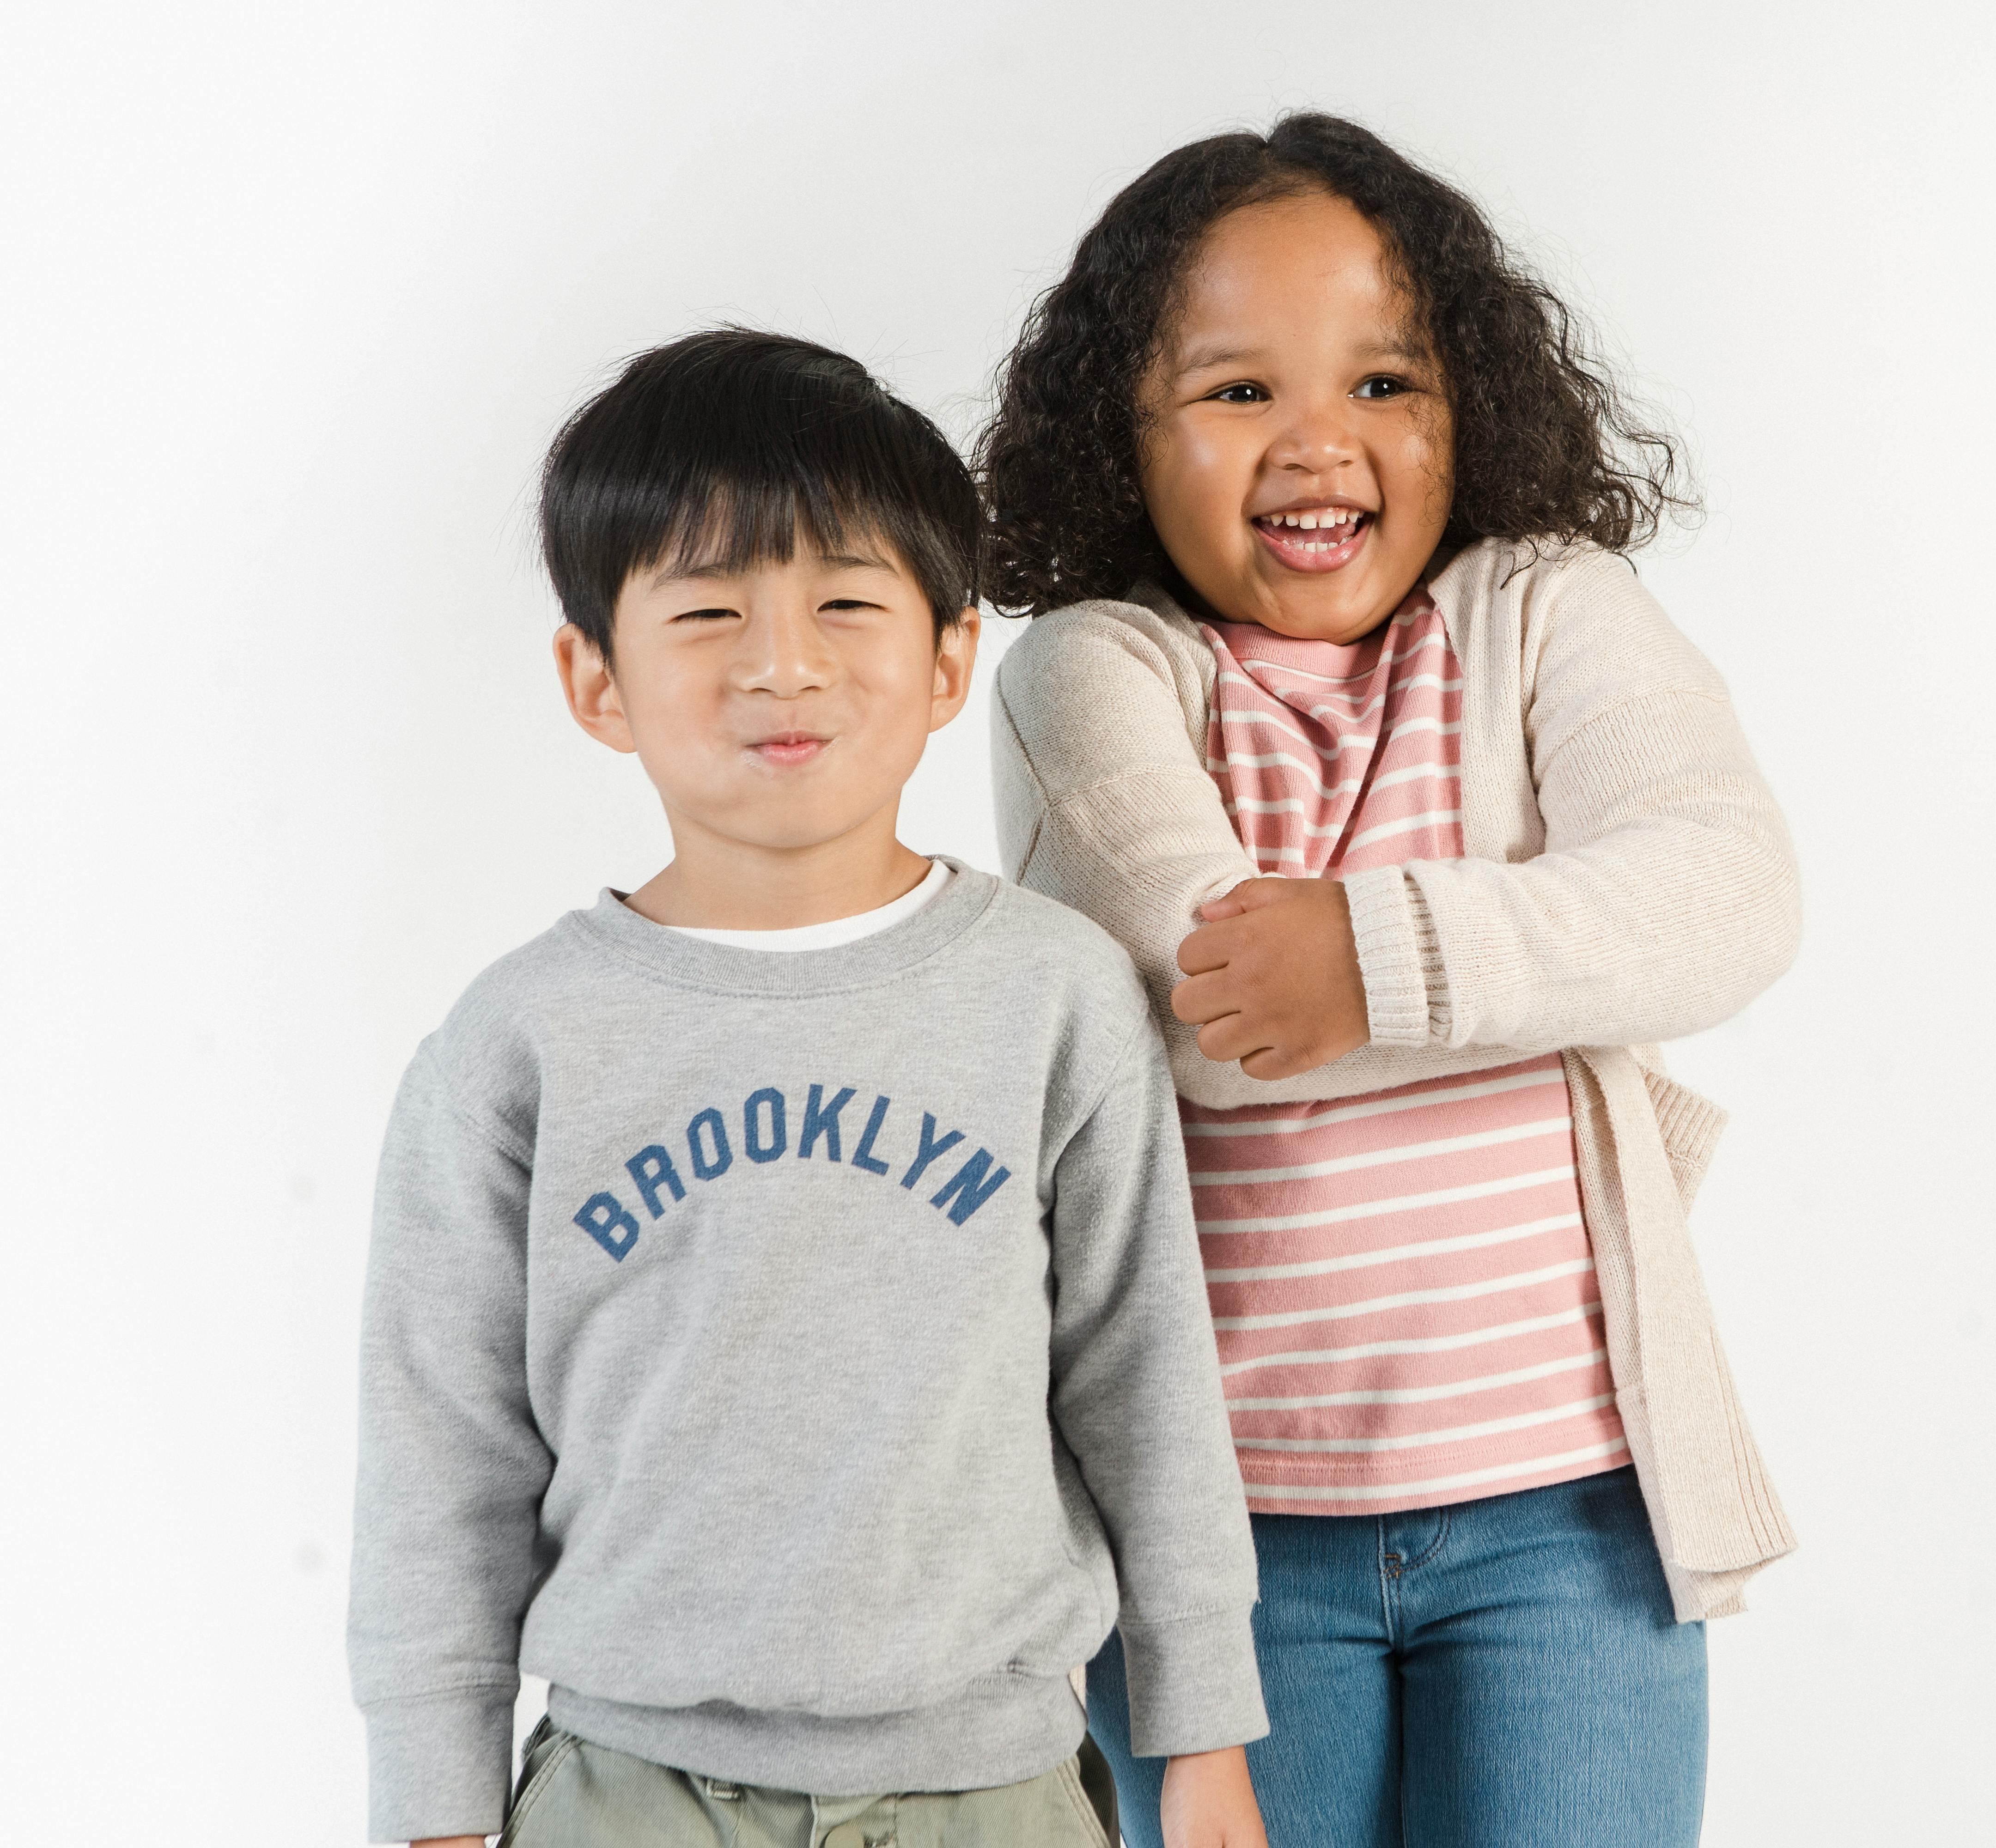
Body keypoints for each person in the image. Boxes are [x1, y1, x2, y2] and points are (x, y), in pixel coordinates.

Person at [980, 115, 1799, 1848]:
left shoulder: (1548, 617)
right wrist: (1542, 953)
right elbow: (1212, 1013)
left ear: (1467, 409)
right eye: (1235, 392)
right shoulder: (1093, 671)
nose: (1317, 445)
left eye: (1383, 384)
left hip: (1574, 1521)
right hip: (1225, 1547)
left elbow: (1726, 897)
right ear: (1119, 436)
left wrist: (1370, 960)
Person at [347, 330, 1269, 1848]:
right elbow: (442, 1457)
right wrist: (431, 1804)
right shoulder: (520, 1043)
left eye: (847, 601)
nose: (785, 662)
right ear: (597, 678)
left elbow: (1146, 1383)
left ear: (951, 659)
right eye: (708, 610)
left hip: (997, 1784)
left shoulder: (1053, 995)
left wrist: (1206, 1735)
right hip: (624, 1787)